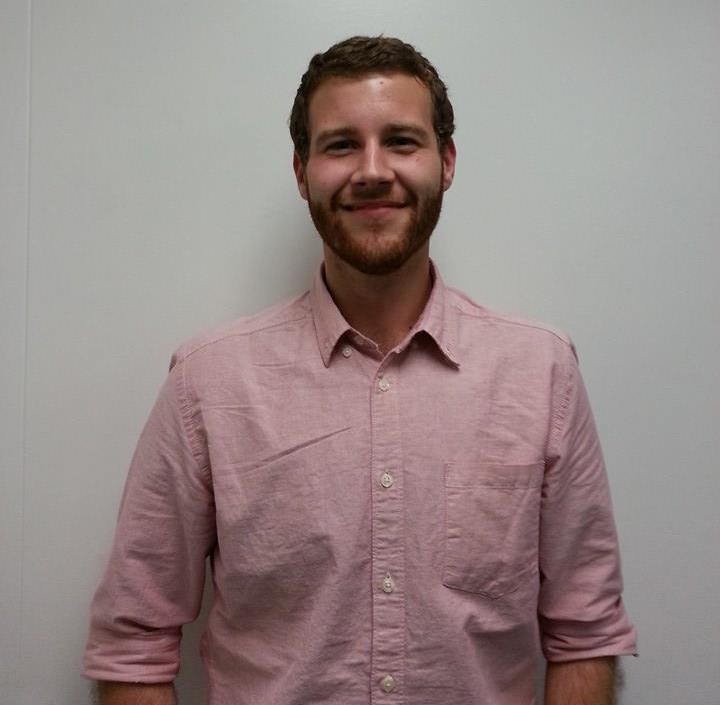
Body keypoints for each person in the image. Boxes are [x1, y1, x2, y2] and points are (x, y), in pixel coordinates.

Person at [84, 36, 636, 704]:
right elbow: (135, 644)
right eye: (342, 145)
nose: (372, 171)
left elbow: (584, 634)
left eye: (401, 141)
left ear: (446, 162)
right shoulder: (208, 384)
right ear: (301, 172)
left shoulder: (540, 372)